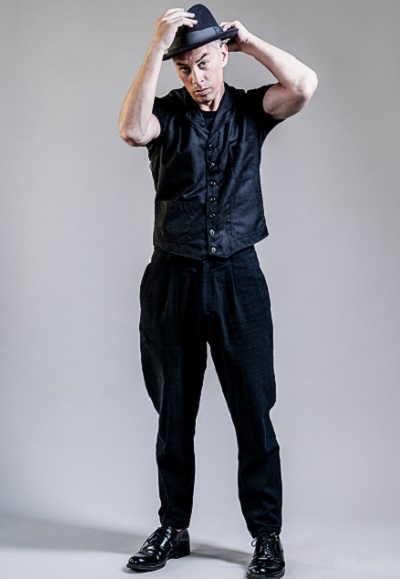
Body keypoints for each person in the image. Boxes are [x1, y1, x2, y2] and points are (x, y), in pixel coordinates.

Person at [119, 4, 317, 578]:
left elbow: (303, 85)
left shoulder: (253, 110)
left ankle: (266, 535)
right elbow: (131, 130)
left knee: (254, 411)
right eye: (185, 68)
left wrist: (249, 41)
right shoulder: (164, 113)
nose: (196, 77)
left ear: (222, 55)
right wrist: (157, 48)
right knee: (173, 413)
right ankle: (173, 528)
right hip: (172, 279)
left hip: (238, 277)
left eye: (204, 63)